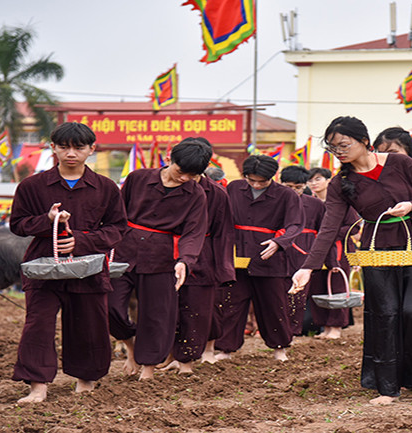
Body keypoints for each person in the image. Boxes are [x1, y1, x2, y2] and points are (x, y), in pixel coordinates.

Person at [290, 116, 412, 405]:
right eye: (334, 148)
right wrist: (307, 267)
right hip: (376, 249)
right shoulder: (340, 183)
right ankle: (388, 387)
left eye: (344, 145)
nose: (339, 152)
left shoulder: (400, 164)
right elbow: (329, 227)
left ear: (364, 141)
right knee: (384, 317)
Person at [10, 122, 127, 403]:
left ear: (91, 150)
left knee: (89, 323)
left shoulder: (106, 187)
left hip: (88, 269)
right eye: (63, 147)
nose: (70, 153)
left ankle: (86, 382)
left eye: (78, 147)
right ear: (53, 148)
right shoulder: (32, 186)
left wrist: (82, 241)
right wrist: (46, 220)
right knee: (38, 325)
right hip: (43, 267)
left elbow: (117, 228)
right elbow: (17, 224)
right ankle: (37, 386)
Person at [108, 139, 209, 380]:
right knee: (109, 305)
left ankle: (148, 369)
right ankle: (130, 345)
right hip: (124, 250)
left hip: (162, 257)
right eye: (181, 171)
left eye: (192, 175)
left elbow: (194, 233)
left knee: (157, 314)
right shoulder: (138, 178)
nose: (185, 178)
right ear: (169, 159)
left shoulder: (196, 195)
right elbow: (117, 212)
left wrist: (185, 260)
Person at [159, 138, 236, 374]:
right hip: (164, 255)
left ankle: (187, 361)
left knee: (196, 311)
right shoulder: (160, 185)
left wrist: (223, 268)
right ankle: (168, 354)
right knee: (166, 308)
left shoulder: (217, 194)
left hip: (203, 256)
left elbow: (224, 233)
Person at [219, 155, 304, 362]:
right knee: (231, 304)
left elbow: (295, 225)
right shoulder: (234, 188)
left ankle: (280, 348)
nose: (256, 184)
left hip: (269, 257)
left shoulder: (286, 195)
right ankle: (225, 349)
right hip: (237, 256)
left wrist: (279, 242)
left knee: (273, 305)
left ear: (272, 177)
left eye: (261, 181)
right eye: (251, 180)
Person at [280, 165, 350, 339]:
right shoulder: (275, 203)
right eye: (289, 187)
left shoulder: (316, 204)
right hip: (281, 252)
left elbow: (326, 234)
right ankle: (281, 331)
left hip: (310, 253)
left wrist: (331, 260)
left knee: (319, 291)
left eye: (299, 187)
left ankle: (308, 330)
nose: (294, 191)